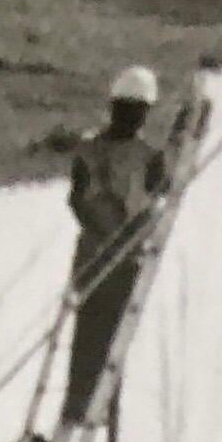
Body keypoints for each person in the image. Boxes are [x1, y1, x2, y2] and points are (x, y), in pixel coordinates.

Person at [63, 66, 168, 423]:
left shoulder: (147, 156)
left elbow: (156, 199)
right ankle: (81, 406)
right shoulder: (95, 151)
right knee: (94, 334)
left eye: (134, 110)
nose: (129, 116)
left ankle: (95, 406)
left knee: (107, 338)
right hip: (104, 259)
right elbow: (81, 200)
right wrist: (118, 235)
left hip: (112, 260)